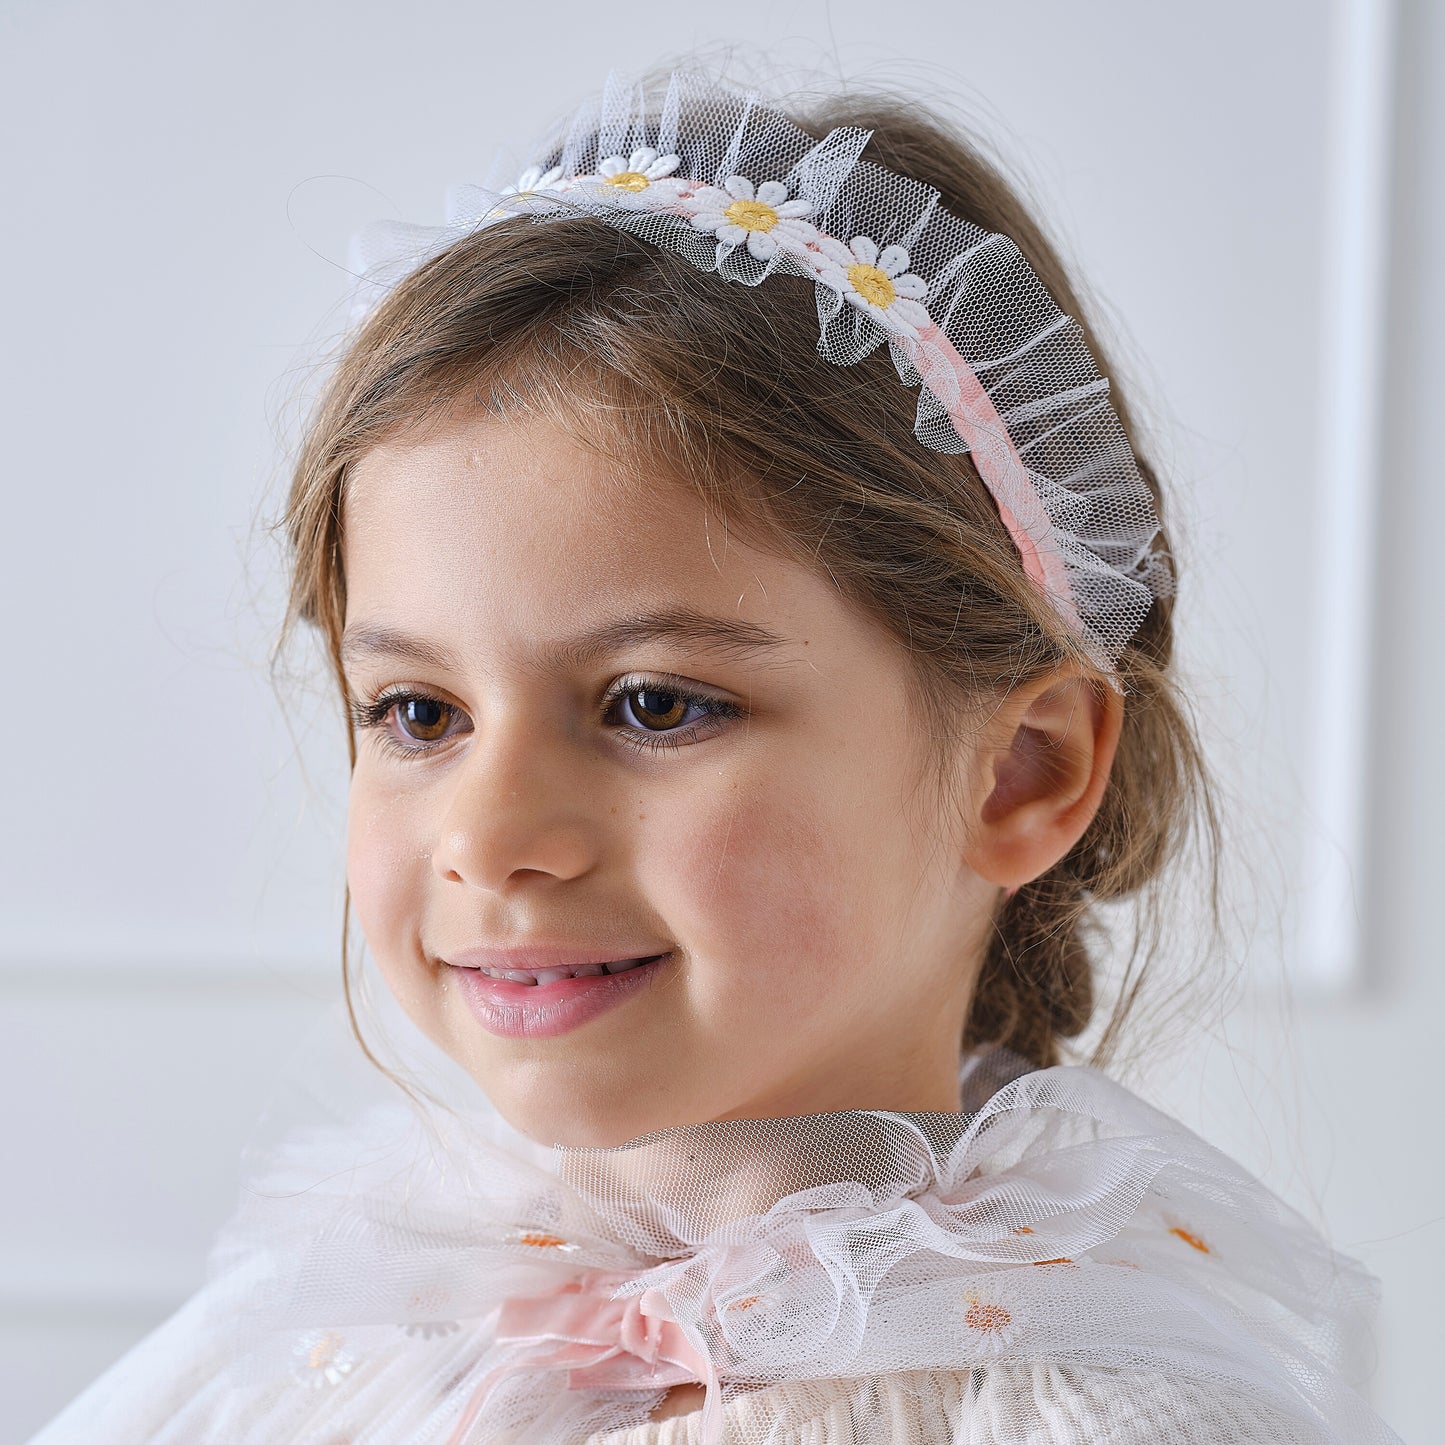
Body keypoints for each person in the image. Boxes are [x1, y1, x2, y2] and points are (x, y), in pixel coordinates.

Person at [27, 65, 1404, 1444]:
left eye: (653, 705)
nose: (491, 834)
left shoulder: (1106, 1418)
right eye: (417, 713)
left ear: (1019, 772)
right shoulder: (312, 1345)